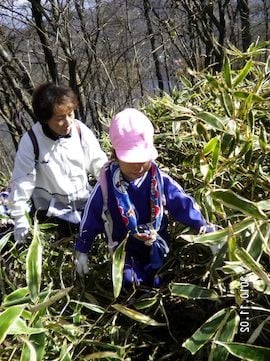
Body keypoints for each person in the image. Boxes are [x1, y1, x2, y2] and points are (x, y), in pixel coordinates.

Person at [75, 108, 215, 288]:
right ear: (115, 154)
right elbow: (91, 218)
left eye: (143, 158)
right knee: (130, 281)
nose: (139, 165)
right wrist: (83, 249)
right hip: (125, 249)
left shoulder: (159, 180)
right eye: (131, 159)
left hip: (159, 244)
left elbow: (182, 203)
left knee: (161, 280)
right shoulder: (106, 186)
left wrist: (203, 228)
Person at [9, 82, 108, 243]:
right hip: (51, 215)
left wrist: (113, 189)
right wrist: (20, 219)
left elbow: (98, 163)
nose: (68, 122)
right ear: (45, 119)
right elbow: (21, 182)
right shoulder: (31, 142)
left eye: (70, 114)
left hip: (83, 205)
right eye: (60, 118)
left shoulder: (79, 130)